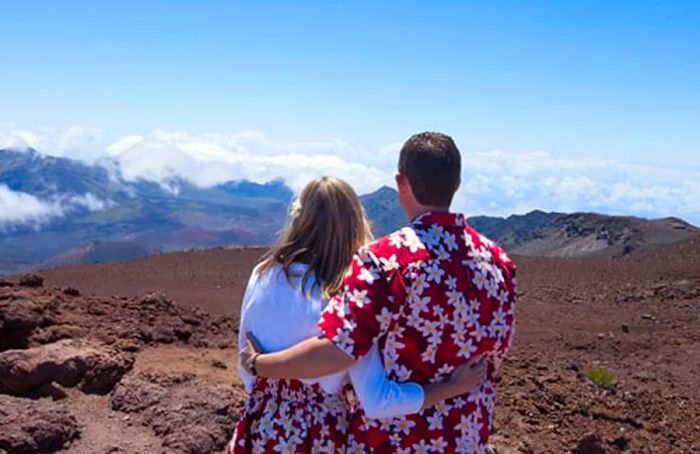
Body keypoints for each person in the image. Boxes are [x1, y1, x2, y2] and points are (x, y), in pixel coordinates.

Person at [242, 133, 517, 453]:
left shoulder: (384, 261)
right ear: (456, 183)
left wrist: (259, 364)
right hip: (465, 438)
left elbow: (340, 351)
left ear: (401, 182)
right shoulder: (500, 264)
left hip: (393, 441)